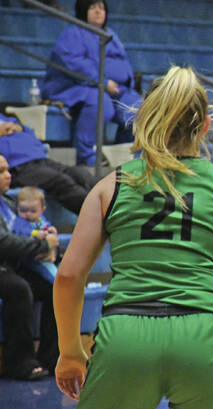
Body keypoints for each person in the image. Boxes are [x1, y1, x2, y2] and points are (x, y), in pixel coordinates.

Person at [53, 67, 213, 409]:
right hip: (204, 339)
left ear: (144, 120)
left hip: (126, 337)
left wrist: (69, 351)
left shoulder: (110, 186)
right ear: (206, 126)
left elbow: (68, 277)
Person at [42, 0, 141, 166]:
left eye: (101, 8)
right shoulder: (73, 33)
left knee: (139, 109)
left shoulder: (111, 34)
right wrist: (103, 81)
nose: (98, 11)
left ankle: (124, 153)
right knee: (101, 104)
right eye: (92, 7)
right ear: (83, 11)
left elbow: (123, 62)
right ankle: (86, 156)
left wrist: (128, 82)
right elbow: (74, 63)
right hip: (78, 86)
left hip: (116, 89)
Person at [0, 153, 59, 381]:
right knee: (19, 289)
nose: (8, 175)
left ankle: (51, 357)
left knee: (54, 287)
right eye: (2, 171)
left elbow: (30, 229)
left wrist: (50, 239)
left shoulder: (7, 202)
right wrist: (42, 244)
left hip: (11, 264)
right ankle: (19, 362)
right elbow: (4, 242)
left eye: (8, 170)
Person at [0, 111, 97, 214]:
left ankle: (107, 205)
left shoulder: (6, 118)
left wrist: (20, 128)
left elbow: (30, 132)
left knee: (80, 174)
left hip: (40, 157)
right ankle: (96, 214)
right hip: (18, 167)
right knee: (61, 180)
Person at [14, 186, 58, 284]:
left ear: (42, 210)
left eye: (33, 211)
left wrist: (51, 231)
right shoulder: (19, 221)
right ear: (17, 208)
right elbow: (22, 231)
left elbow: (46, 226)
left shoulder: (41, 219)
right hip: (31, 258)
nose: (28, 214)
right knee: (52, 272)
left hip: (43, 253)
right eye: (23, 210)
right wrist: (36, 233)